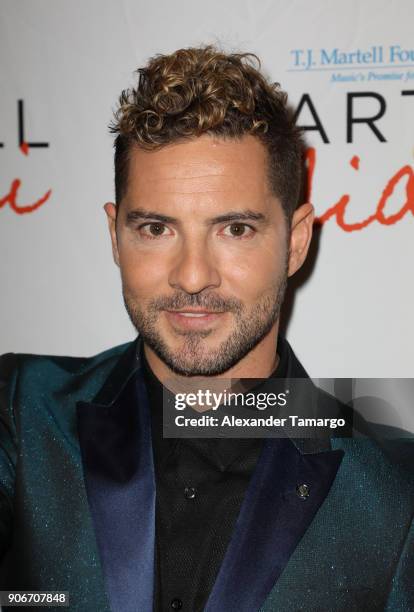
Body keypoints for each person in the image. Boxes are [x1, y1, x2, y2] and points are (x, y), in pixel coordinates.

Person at [0, 45, 413, 612]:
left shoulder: (395, 489)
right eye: (156, 228)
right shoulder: (22, 413)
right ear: (115, 235)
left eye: (235, 229)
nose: (192, 276)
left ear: (295, 242)